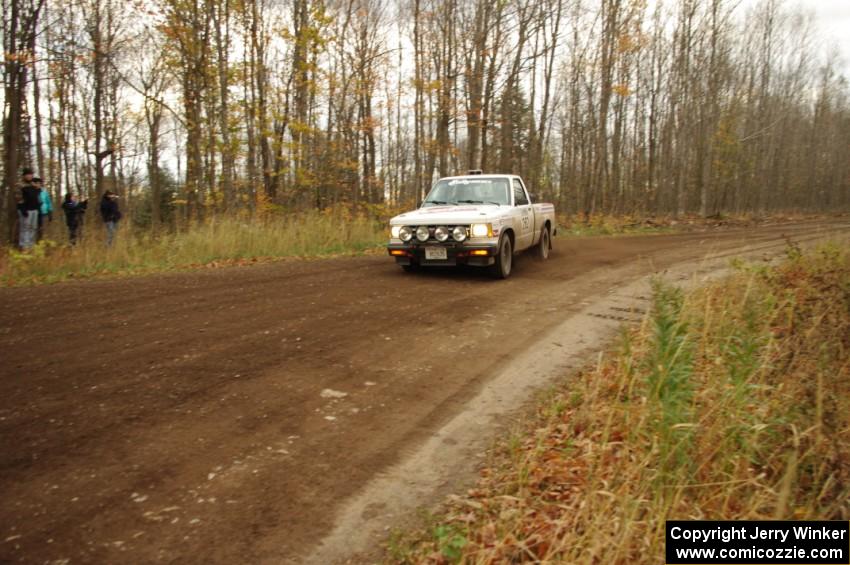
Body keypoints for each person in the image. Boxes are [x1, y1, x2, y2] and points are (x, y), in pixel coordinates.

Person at [17, 168, 41, 250]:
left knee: (33, 228)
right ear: (24, 175)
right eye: (28, 174)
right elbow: (18, 198)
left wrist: (37, 188)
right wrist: (23, 209)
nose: (30, 176)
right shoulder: (20, 185)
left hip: (34, 209)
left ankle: (31, 246)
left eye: (31, 174)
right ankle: (24, 246)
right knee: (25, 228)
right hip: (26, 210)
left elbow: (37, 196)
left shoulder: (33, 185)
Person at [33, 176, 53, 242]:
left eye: (39, 183)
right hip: (34, 211)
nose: (38, 184)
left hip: (43, 212)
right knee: (34, 228)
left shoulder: (44, 192)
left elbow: (48, 202)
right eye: (36, 183)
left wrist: (50, 211)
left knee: (42, 229)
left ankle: (41, 242)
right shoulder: (32, 191)